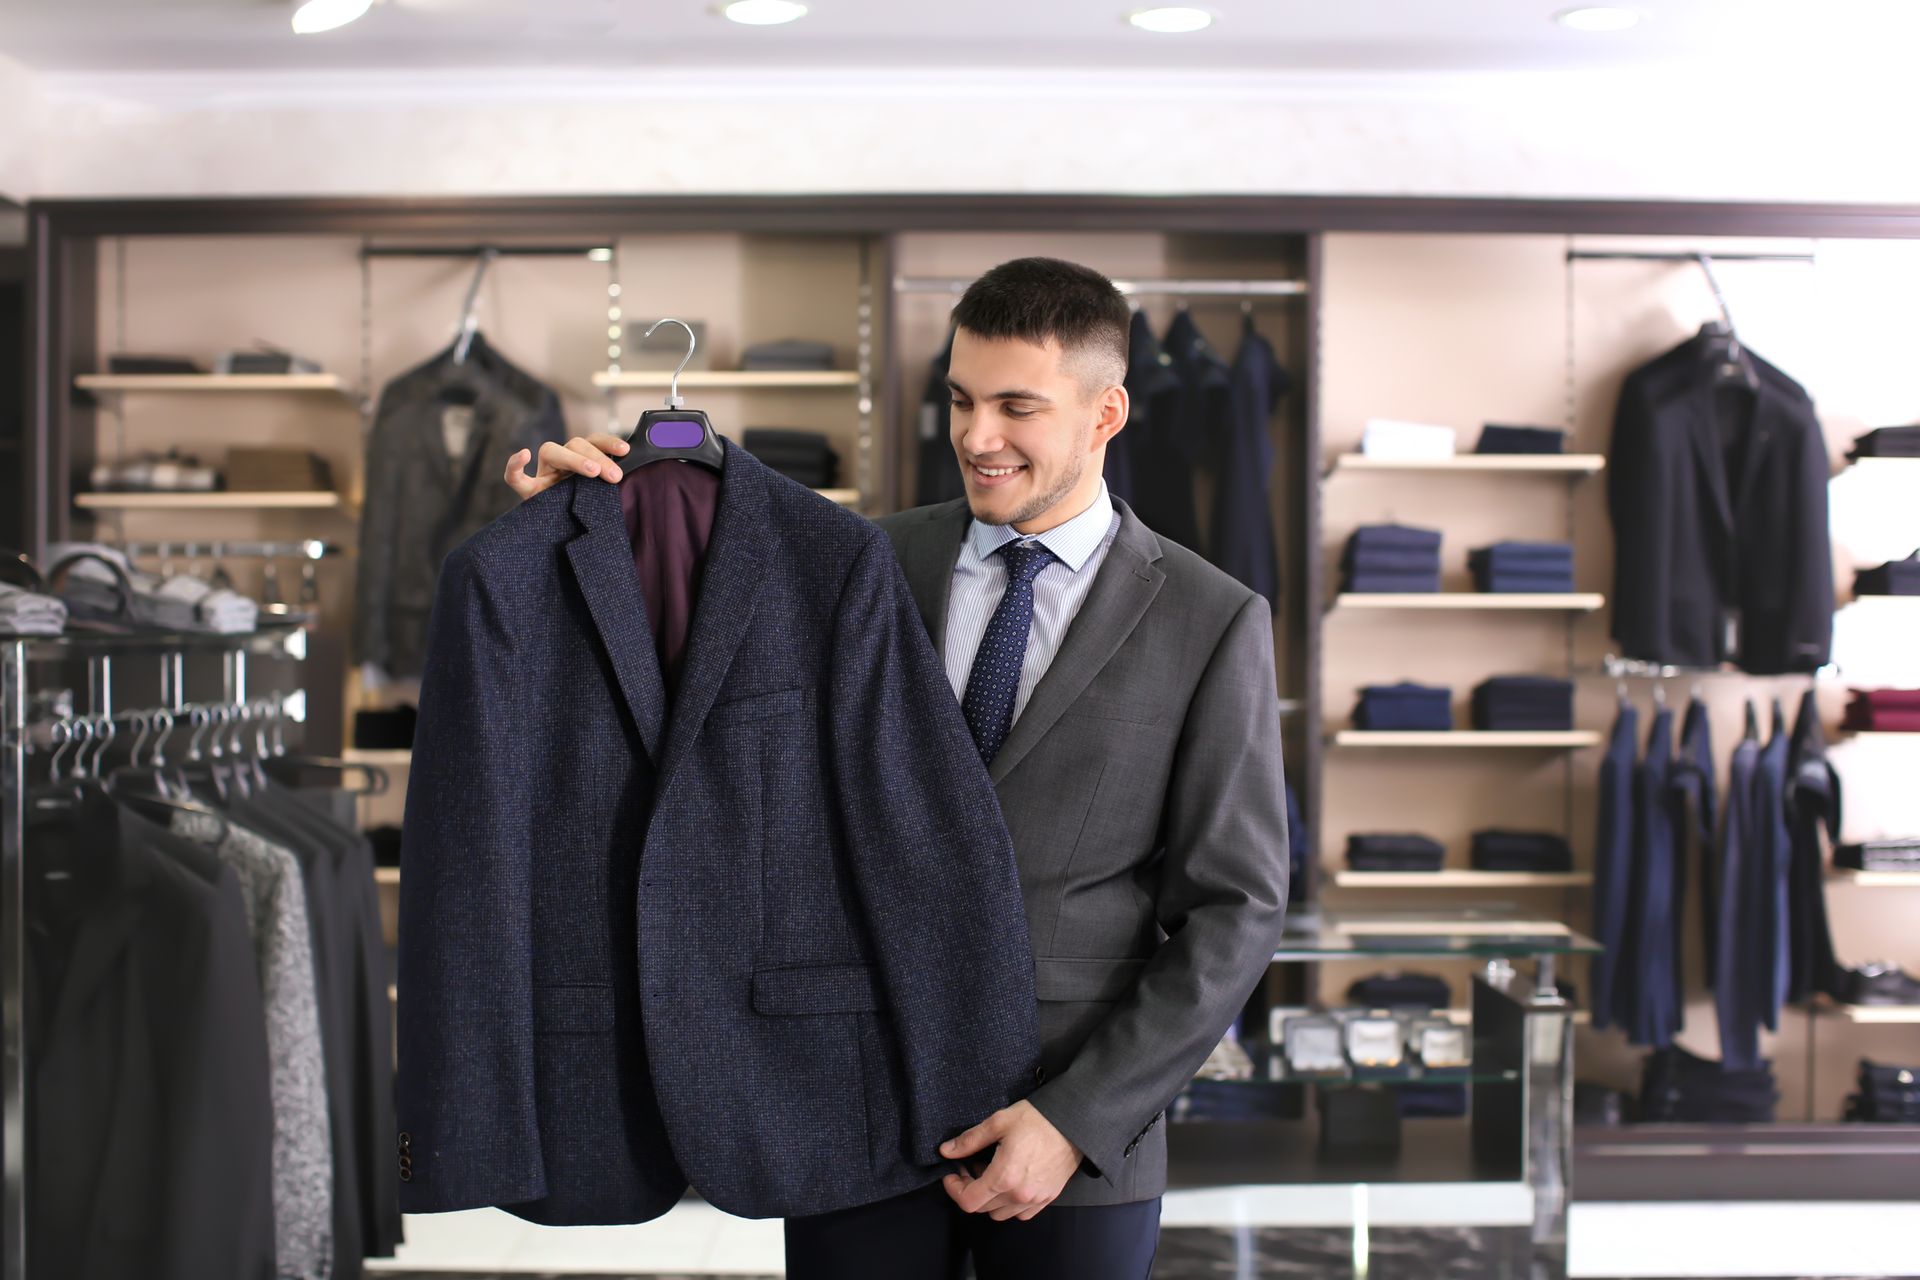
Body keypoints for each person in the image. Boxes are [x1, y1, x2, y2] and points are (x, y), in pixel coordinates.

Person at [501, 257, 1290, 1280]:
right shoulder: (851, 562)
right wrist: (568, 533)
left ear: (1108, 412)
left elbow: (1236, 906)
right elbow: (671, 689)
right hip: (850, 1104)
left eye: (1016, 407)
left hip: (1070, 1114)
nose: (976, 436)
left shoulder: (1210, 617)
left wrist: (1079, 1117)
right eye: (960, 400)